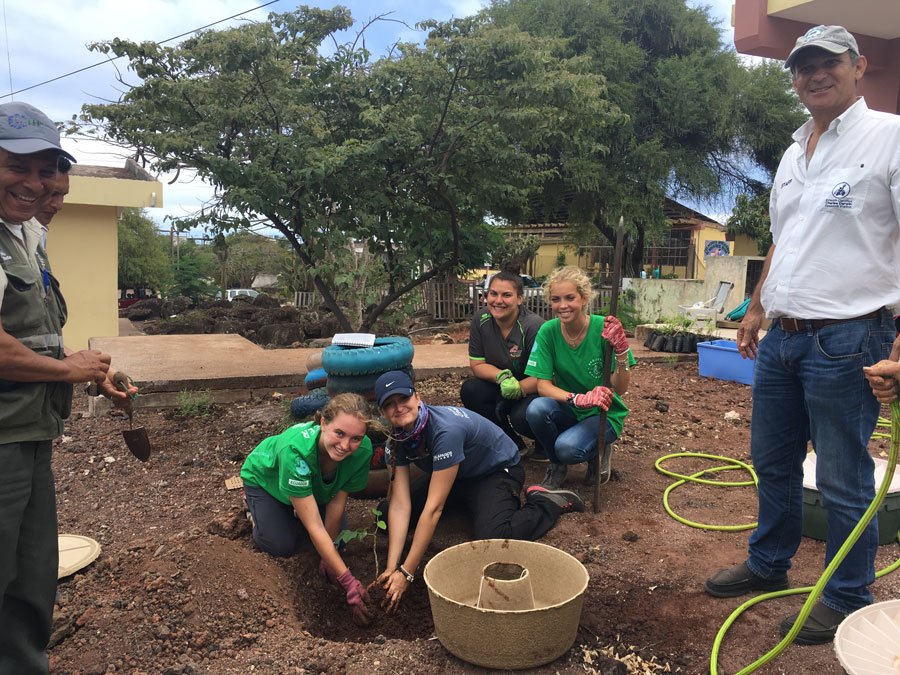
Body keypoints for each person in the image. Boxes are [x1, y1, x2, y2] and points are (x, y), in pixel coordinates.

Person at [703, 25, 900, 646]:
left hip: (850, 338)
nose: (814, 74)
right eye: (802, 65)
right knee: (772, 461)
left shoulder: (889, 137)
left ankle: (845, 596)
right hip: (784, 338)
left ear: (859, 66)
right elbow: (784, 242)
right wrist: (757, 308)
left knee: (842, 478)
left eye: (828, 63)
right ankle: (768, 563)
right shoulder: (793, 153)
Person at [0, 101, 133, 673]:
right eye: (19, 167)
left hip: (28, 434)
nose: (39, 186)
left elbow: (36, 334)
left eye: (48, 171)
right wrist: (67, 370)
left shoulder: (25, 237)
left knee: (30, 576)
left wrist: (90, 369)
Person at [372, 370, 584, 612]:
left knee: (494, 535)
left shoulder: (444, 432)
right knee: (385, 516)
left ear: (417, 397)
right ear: (382, 412)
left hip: (496, 470)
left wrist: (407, 572)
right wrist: (391, 568)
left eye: (403, 399)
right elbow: (400, 504)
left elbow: (433, 510)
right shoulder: (396, 440)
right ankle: (471, 504)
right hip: (457, 473)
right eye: (389, 404)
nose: (398, 408)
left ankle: (546, 503)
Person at [240, 393, 376, 625]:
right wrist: (347, 581)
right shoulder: (297, 452)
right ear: (323, 423)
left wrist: (329, 552)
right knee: (281, 545)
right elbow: (315, 526)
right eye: (339, 433)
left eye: (355, 438)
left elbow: (337, 501)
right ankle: (254, 509)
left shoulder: (362, 452)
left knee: (336, 543)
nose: (345, 446)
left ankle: (299, 509)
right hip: (266, 483)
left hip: (314, 489)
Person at [524, 266, 635, 489]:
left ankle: (598, 452)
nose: (562, 305)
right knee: (536, 409)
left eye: (569, 298)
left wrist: (621, 351)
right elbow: (543, 386)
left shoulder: (605, 329)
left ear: (584, 298)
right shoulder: (548, 331)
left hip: (603, 412)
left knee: (567, 448)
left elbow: (620, 388)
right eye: (556, 299)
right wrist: (577, 399)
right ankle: (556, 465)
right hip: (572, 408)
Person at [460, 270, 546, 460]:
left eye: (506, 295)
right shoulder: (481, 319)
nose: (498, 300)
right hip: (502, 385)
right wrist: (502, 377)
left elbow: (547, 376)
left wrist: (519, 388)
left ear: (520, 299)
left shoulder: (534, 326)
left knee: (522, 416)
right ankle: (510, 441)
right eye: (493, 293)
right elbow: (477, 363)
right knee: (471, 390)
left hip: (533, 390)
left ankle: (545, 444)